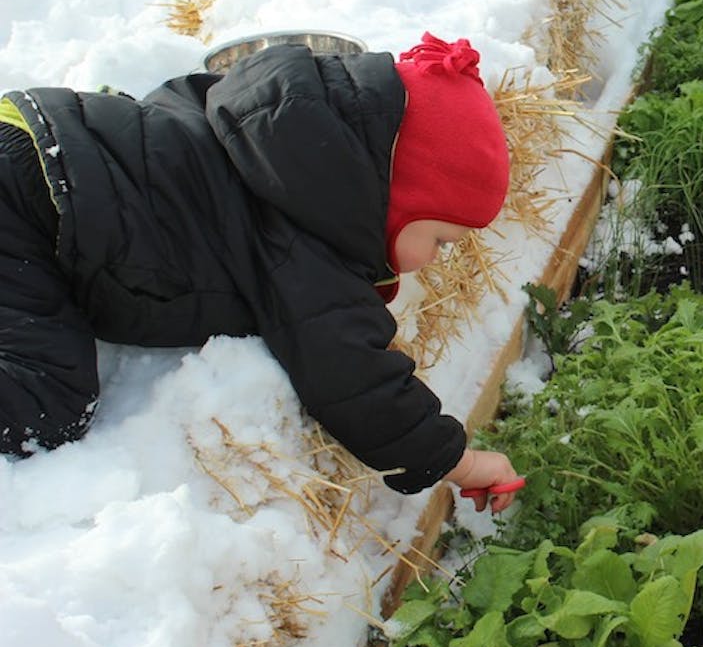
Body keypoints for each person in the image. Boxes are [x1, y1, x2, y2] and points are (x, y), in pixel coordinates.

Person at [0, 32, 521, 511]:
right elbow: (354, 379)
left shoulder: (271, 139)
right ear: (398, 195)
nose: (436, 258)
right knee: (47, 402)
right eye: (439, 239)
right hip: (25, 202)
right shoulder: (306, 235)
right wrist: (463, 462)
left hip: (32, 137)